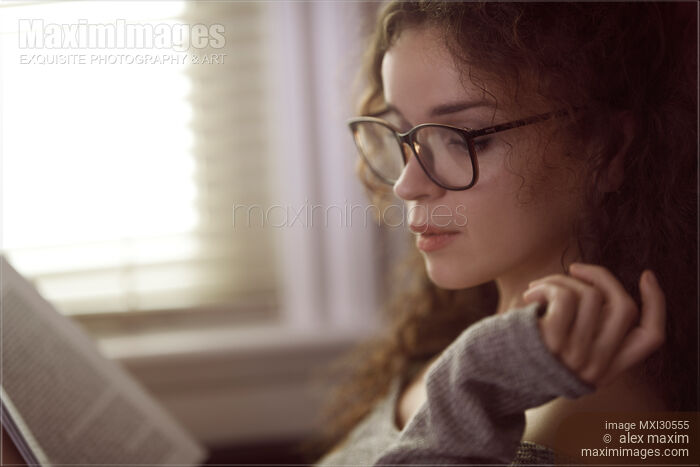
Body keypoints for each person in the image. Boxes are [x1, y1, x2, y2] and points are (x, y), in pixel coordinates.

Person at [302, 2, 697, 466]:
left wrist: (472, 386)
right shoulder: (464, 347)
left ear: (607, 148)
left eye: (466, 136)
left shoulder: (616, 429)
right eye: (405, 134)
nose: (408, 184)